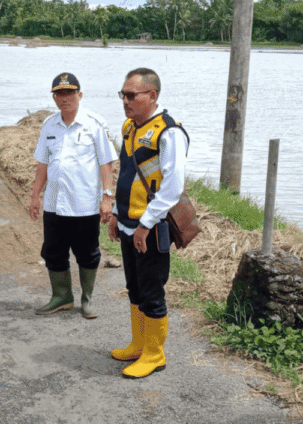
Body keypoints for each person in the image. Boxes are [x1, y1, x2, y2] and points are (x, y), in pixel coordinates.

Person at [108, 68, 189, 379]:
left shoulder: (168, 132)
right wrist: (117, 212)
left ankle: (155, 354)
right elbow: (126, 174)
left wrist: (145, 224)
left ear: (152, 96)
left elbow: (172, 186)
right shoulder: (129, 128)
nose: (125, 101)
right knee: (134, 287)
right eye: (123, 95)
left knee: (152, 290)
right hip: (129, 222)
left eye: (131, 95)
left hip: (152, 227)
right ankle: (139, 344)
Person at [29, 72, 118, 319]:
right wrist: (35, 196)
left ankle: (87, 299)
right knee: (53, 251)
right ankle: (61, 297)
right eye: (59, 93)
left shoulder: (93, 123)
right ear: (54, 97)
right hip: (54, 203)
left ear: (79, 95)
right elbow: (42, 164)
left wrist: (107, 197)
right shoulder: (49, 124)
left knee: (87, 252)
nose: (64, 98)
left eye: (69, 93)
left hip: (84, 203)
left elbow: (106, 162)